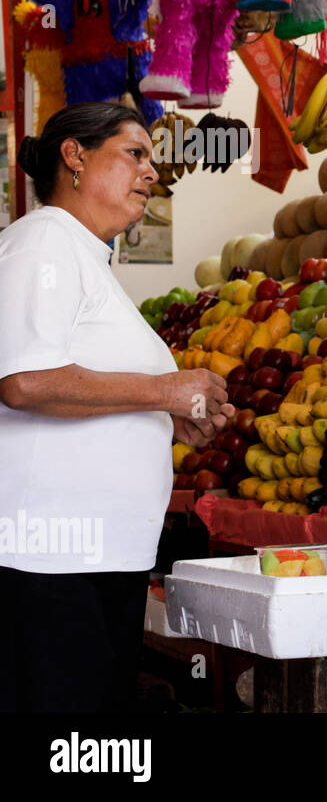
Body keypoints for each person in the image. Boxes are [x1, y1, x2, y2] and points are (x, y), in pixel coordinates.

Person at [0, 102, 232, 712]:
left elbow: (76, 384)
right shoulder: (45, 240)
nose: (151, 172)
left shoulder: (83, 257)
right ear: (74, 156)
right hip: (50, 562)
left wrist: (166, 418)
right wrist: (161, 391)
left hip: (93, 557)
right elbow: (22, 380)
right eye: (135, 154)